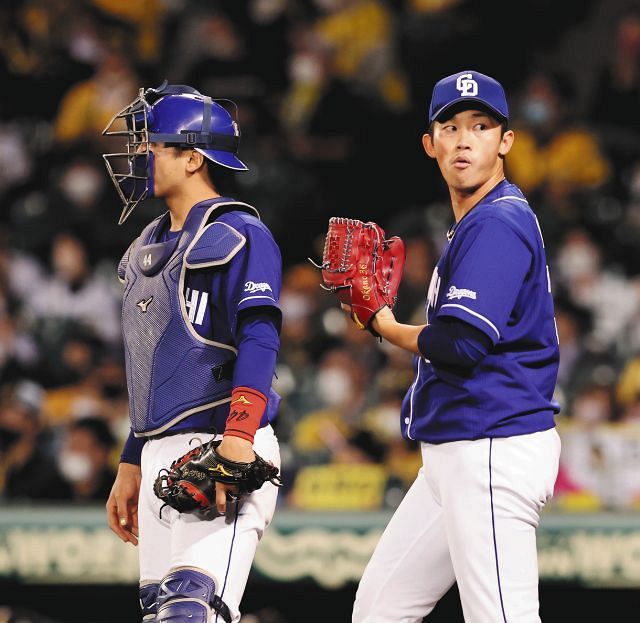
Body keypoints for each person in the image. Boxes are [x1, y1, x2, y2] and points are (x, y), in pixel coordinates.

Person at [350, 71, 561, 622]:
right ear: (430, 144)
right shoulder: (476, 222)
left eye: (481, 125)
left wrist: (385, 325)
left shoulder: (498, 221)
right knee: (379, 611)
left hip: (492, 441)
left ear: (505, 141)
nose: (464, 139)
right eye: (450, 126)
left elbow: (461, 343)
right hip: (456, 451)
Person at [101, 82, 282, 623]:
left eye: (151, 145)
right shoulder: (145, 249)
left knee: (189, 611)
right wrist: (131, 459)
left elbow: (260, 339)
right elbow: (151, 366)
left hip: (220, 444)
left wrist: (238, 439)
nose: (138, 156)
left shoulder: (240, 233)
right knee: (162, 614)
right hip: (159, 455)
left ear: (192, 157)